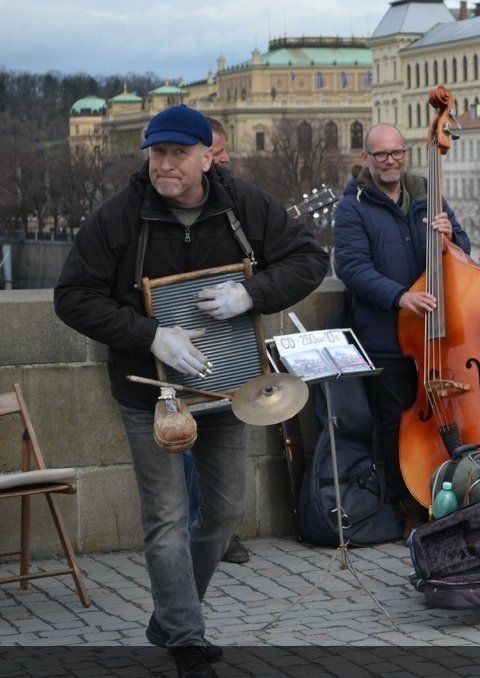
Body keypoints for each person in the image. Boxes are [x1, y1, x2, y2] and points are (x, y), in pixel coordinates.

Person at [54, 104, 329, 678]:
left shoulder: (244, 205)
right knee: (166, 517)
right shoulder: (120, 216)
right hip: (153, 396)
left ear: (209, 156)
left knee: (225, 512)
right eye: (158, 153)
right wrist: (150, 333)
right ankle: (186, 639)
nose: (166, 165)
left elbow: (309, 259)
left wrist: (251, 293)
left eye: (180, 154)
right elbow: (73, 297)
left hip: (229, 389)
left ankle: (169, 615)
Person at [333, 122, 470, 538]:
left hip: (437, 333)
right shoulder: (352, 206)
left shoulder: (428, 193)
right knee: (397, 424)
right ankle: (408, 504)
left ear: (406, 154)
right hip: (387, 337)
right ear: (366, 159)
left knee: (450, 415)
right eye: (381, 155)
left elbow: (464, 252)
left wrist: (451, 238)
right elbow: (352, 269)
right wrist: (400, 298)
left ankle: (457, 496)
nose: (390, 161)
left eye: (396, 153)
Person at [181, 115, 250, 567]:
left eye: (224, 153)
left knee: (225, 441)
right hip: (173, 348)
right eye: (217, 153)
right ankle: (197, 532)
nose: (223, 160)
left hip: (225, 344)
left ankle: (221, 531)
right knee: (183, 447)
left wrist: (250, 288)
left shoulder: (237, 201)